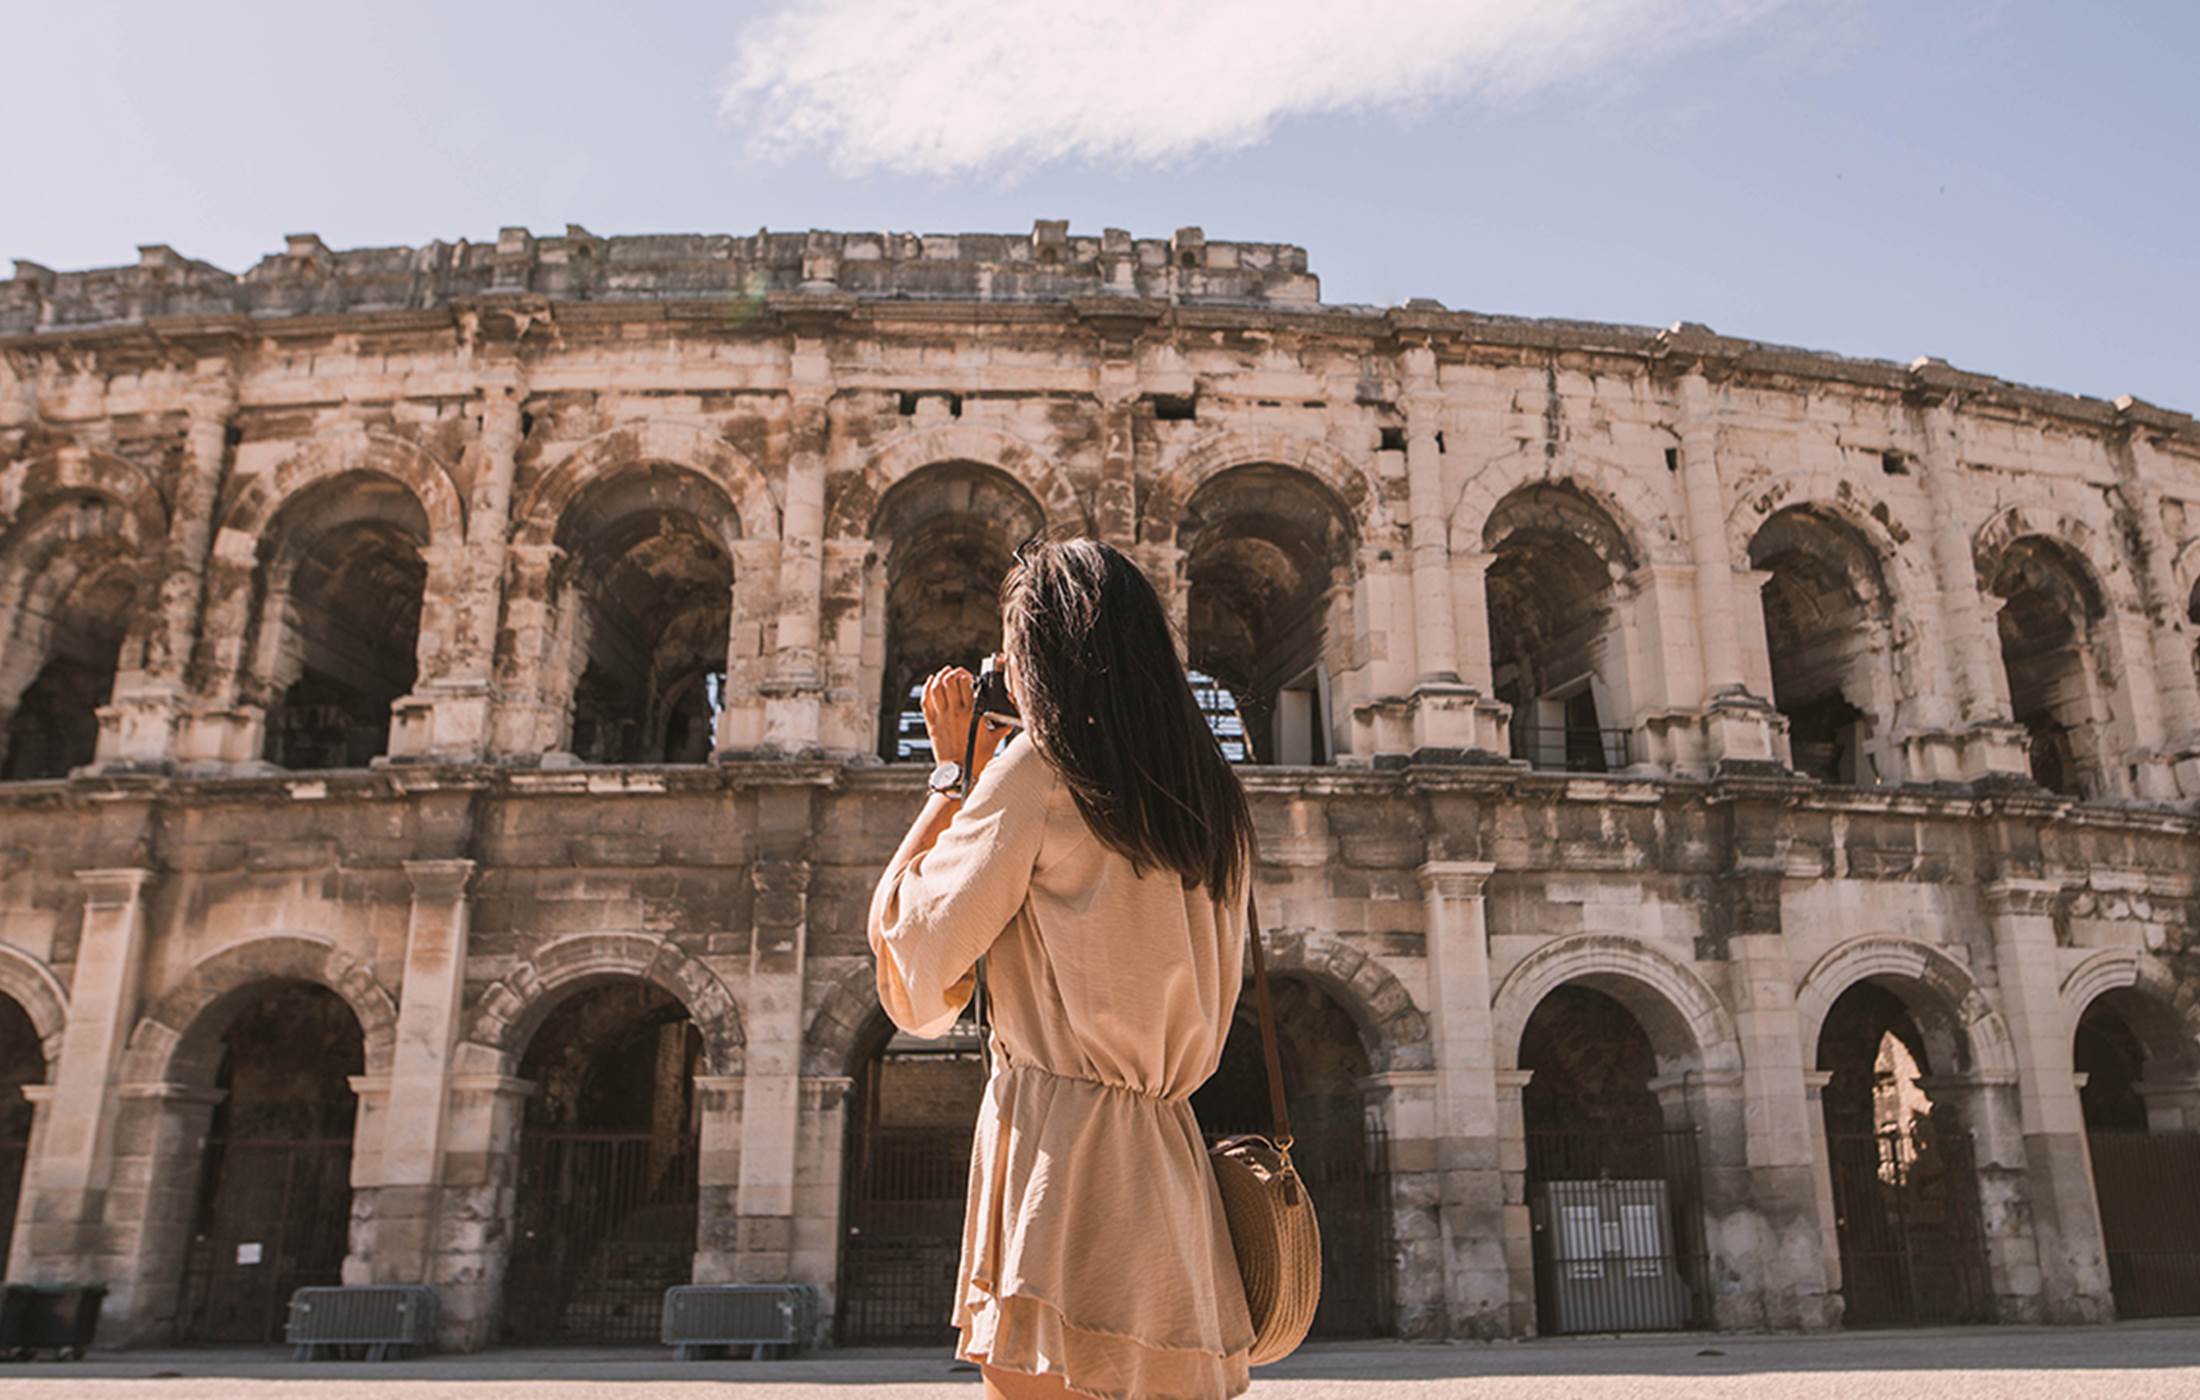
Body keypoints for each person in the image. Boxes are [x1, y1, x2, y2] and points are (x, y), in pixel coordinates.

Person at [867, 534, 1260, 1400]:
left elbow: (913, 958)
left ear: (1042, 655)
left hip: (1062, 1156)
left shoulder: (1040, 774)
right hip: (1167, 1156)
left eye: (1011, 646)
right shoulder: (1212, 799)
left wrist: (950, 776)